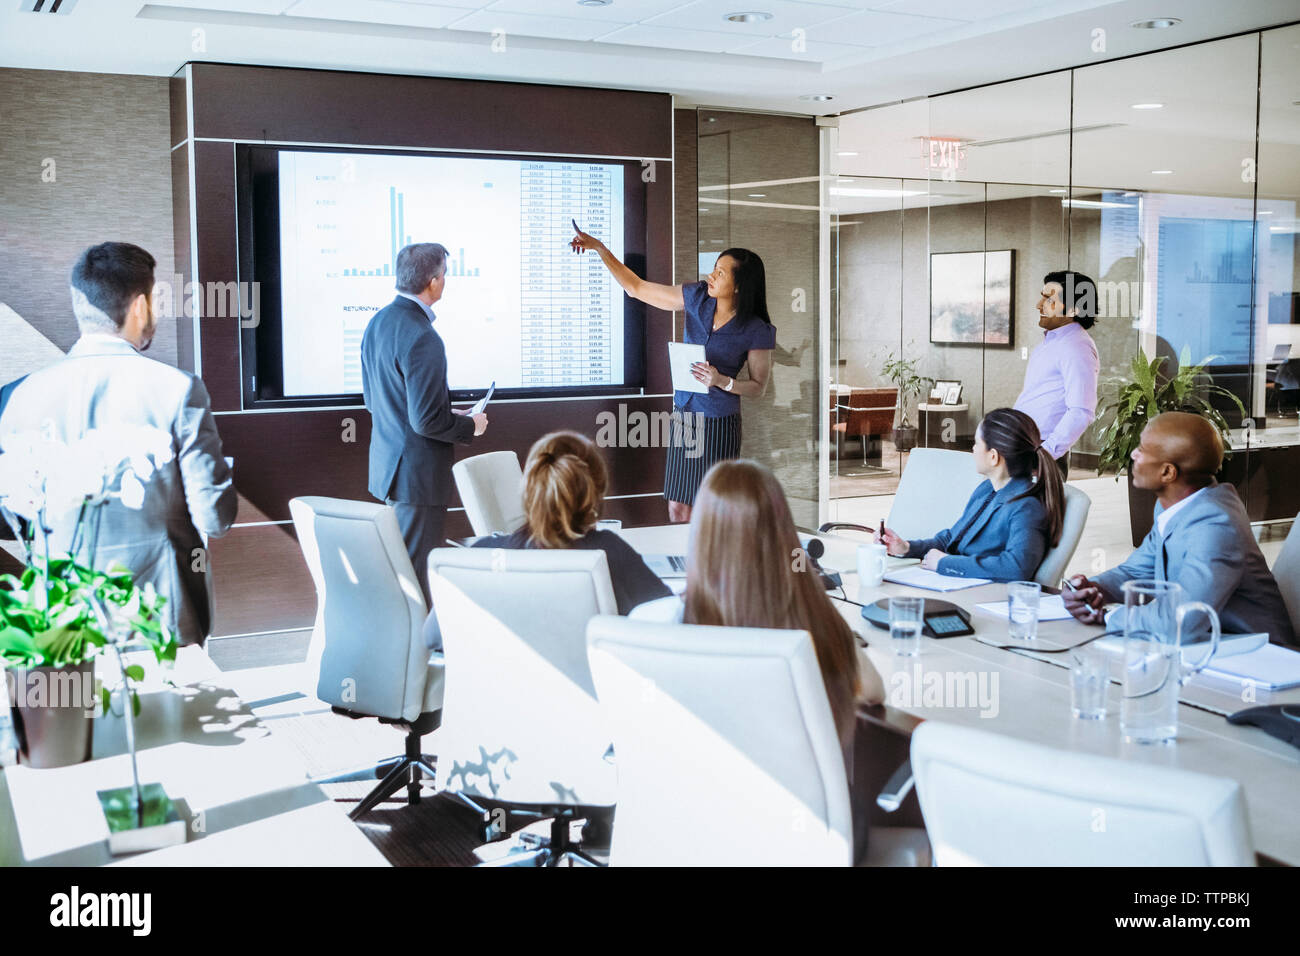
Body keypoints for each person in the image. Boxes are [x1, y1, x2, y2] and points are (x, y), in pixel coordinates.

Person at [0, 242, 236, 645]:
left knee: (76, 709)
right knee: (170, 711)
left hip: (58, 619)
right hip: (162, 618)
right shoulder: (178, 390)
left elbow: (9, 520)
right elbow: (215, 518)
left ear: (79, 303)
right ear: (142, 306)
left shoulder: (15, 396)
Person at [632, 460, 885, 750]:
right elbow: (874, 691)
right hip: (788, 793)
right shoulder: (814, 629)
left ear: (701, 536)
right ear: (784, 536)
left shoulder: (652, 624)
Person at [570, 226, 775, 523]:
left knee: (711, 509)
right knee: (678, 508)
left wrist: (722, 381)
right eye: (714, 269)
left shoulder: (756, 329)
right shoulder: (697, 298)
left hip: (719, 422)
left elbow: (758, 387)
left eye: (720, 273)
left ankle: (708, 566)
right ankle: (684, 566)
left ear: (740, 285)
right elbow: (636, 288)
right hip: (686, 416)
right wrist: (601, 249)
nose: (711, 276)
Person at [1062, 412, 1297, 646]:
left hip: (1259, 660)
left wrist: (1107, 616)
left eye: (1142, 450)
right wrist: (1093, 589)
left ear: (1167, 472)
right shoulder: (1175, 507)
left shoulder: (1216, 525)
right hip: (1212, 647)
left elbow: (1178, 623)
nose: (1133, 454)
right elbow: (1138, 572)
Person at [361, 242, 487, 605]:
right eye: (445, 274)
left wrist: (448, 412)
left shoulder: (378, 322)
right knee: (414, 583)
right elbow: (427, 421)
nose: (445, 281)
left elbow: (377, 401)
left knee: (402, 573)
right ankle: (417, 657)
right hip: (417, 478)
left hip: (391, 472)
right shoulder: (423, 337)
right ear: (433, 282)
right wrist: (470, 427)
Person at [469, 431, 670, 615]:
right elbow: (674, 623)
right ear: (598, 491)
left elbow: (438, 635)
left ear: (528, 487)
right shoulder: (608, 552)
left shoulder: (481, 557)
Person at [875, 407, 1064, 582]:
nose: (973, 449)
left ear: (993, 456)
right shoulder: (986, 490)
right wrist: (906, 547)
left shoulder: (1026, 507)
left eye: (976, 443)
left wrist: (945, 564)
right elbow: (952, 538)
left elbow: (1016, 568)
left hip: (983, 595)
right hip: (957, 583)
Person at [1013, 270, 1100, 478]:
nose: (1038, 304)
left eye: (1049, 299)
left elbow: (1081, 411)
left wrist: (1044, 454)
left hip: (1041, 451)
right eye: (1042, 296)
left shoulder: (1076, 347)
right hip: (1025, 445)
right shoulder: (1052, 342)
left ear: (1073, 309)